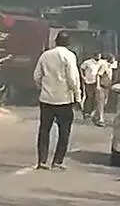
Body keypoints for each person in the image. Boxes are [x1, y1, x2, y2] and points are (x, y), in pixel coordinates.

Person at [33, 30, 82, 171]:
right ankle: (58, 161)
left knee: (44, 130)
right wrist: (77, 97)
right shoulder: (69, 56)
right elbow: (73, 79)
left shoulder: (46, 55)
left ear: (55, 41)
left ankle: (42, 161)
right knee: (64, 132)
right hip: (64, 100)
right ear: (68, 43)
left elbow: (36, 76)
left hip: (46, 99)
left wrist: (42, 88)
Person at [80, 51, 102, 121]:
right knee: (89, 97)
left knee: (96, 98)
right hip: (88, 81)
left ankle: (93, 112)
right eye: (98, 56)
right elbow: (81, 68)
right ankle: (86, 112)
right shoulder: (88, 62)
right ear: (95, 56)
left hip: (96, 82)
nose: (99, 57)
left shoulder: (101, 62)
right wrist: (83, 76)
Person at [93, 55, 113, 126]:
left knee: (104, 103)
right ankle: (101, 119)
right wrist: (98, 85)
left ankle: (95, 114)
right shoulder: (104, 66)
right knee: (101, 103)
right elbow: (98, 75)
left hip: (107, 87)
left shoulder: (110, 67)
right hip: (101, 86)